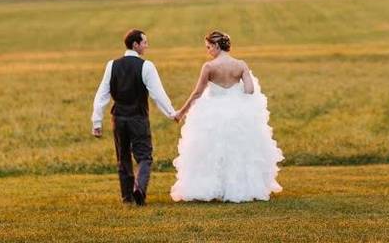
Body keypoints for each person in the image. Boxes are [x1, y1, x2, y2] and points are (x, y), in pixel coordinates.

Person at [170, 30, 283, 202]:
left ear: (216, 46)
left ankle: (213, 189)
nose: (208, 51)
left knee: (212, 152)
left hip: (213, 114)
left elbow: (197, 93)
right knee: (237, 152)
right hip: (237, 115)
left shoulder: (209, 67)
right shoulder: (241, 65)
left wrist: (181, 113)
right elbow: (250, 90)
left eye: (208, 47)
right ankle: (240, 188)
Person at [91, 29, 178, 205]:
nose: (147, 45)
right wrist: (171, 113)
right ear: (135, 44)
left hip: (118, 119)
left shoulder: (111, 65)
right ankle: (139, 189)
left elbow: (102, 95)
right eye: (144, 42)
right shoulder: (146, 66)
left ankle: (126, 197)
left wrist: (97, 121)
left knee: (122, 158)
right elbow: (157, 94)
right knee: (144, 157)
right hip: (138, 118)